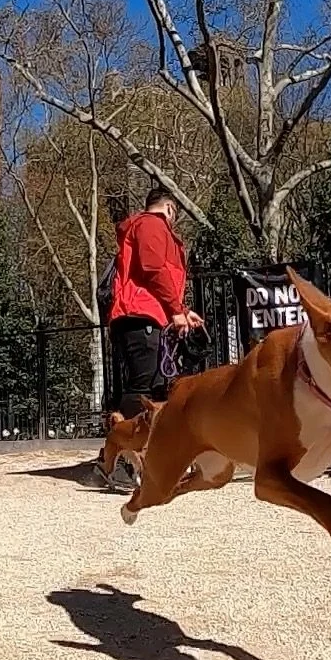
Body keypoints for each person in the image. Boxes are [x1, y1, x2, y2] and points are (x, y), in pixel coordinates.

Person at [105, 186, 202, 487]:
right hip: (141, 315)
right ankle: (114, 461)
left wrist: (182, 310)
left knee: (156, 391)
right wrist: (176, 309)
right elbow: (153, 269)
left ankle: (143, 460)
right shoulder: (151, 224)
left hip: (145, 316)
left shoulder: (148, 228)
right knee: (143, 388)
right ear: (170, 208)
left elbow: (157, 276)